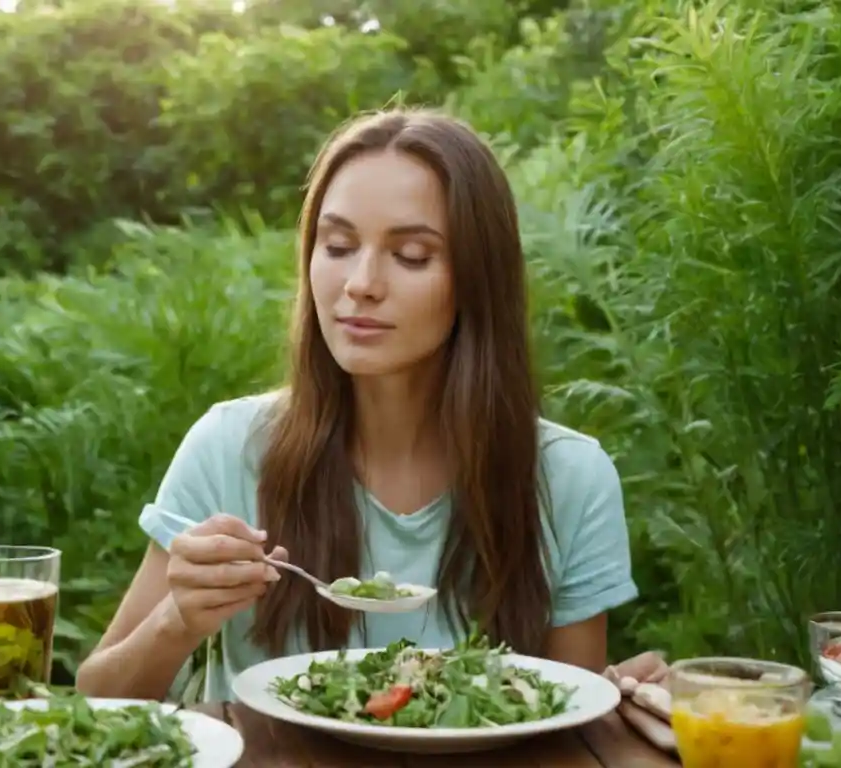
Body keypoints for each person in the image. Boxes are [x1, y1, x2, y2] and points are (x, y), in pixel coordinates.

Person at [77, 107, 658, 703]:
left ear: (478, 279)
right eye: (338, 245)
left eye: (410, 256)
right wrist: (179, 619)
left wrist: (619, 704)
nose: (360, 282)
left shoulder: (569, 479)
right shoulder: (229, 446)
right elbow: (99, 694)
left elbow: (569, 729)